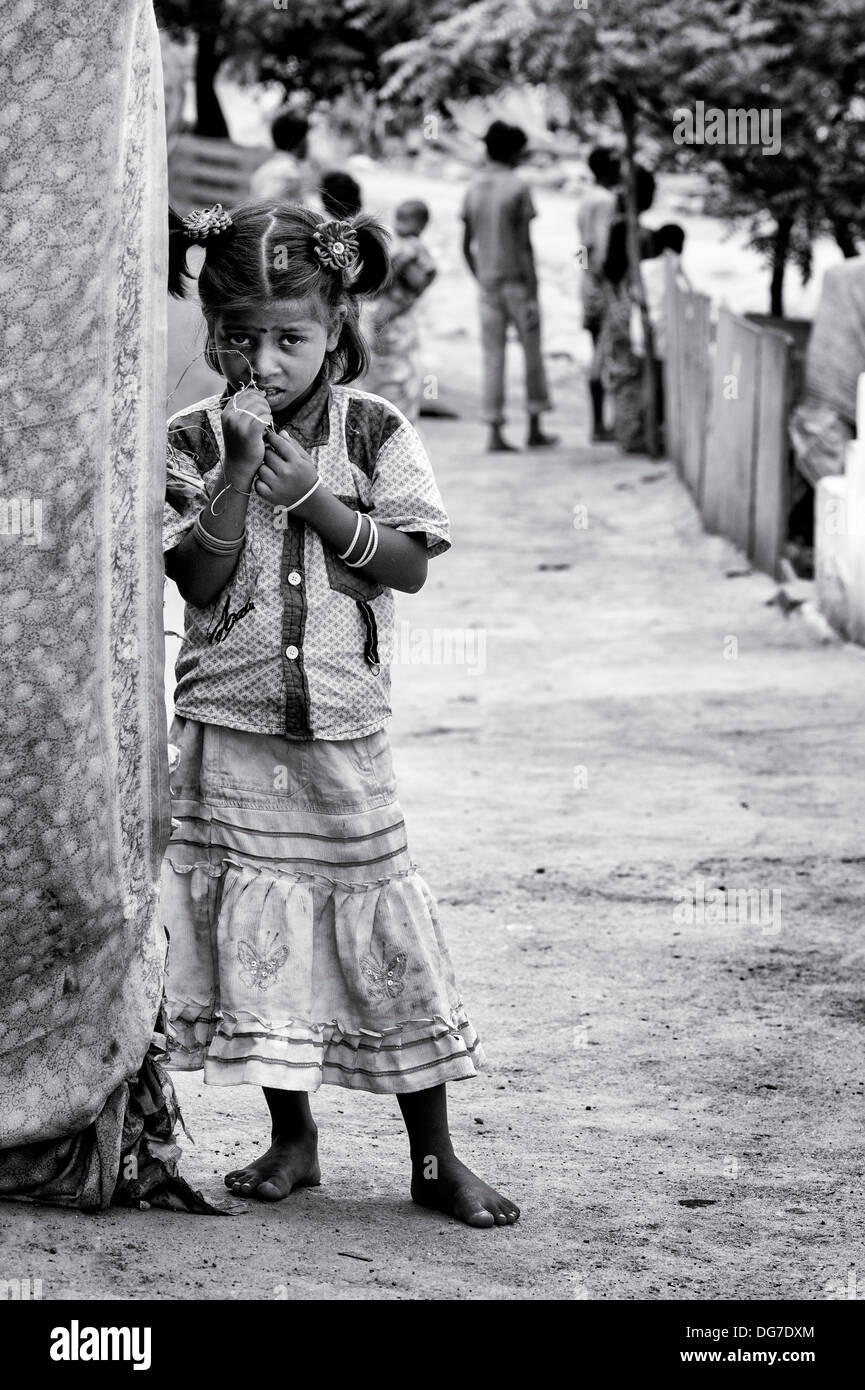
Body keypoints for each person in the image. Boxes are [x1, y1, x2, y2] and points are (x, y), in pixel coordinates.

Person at [161, 201, 520, 1229]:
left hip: (341, 733)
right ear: (212, 329)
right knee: (265, 933)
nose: (263, 361)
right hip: (229, 728)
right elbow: (195, 578)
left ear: (336, 331)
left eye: (290, 337)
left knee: (379, 929)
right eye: (239, 336)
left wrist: (316, 497)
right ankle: (293, 1136)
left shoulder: (373, 430)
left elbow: (405, 566)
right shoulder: (193, 438)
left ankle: (433, 1155)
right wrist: (236, 475)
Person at [461, 120, 556, 452]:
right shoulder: (518, 187)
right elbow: (525, 245)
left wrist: (480, 275)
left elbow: (466, 244)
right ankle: (534, 425)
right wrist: (533, 290)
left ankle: (494, 431)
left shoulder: (473, 187)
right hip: (517, 281)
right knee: (532, 353)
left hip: (487, 283)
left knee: (492, 357)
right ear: (513, 150)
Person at [594, 165, 658, 452]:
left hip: (617, 307)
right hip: (625, 310)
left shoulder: (623, 226)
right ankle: (630, 434)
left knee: (624, 372)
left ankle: (628, 431)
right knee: (628, 373)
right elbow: (612, 269)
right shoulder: (629, 230)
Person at [363, 199, 437, 420]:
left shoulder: (409, 247)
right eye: (399, 220)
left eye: (406, 221)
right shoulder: (403, 244)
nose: (400, 225)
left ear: (421, 225)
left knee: (381, 327)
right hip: (395, 310)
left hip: (396, 305)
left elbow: (421, 273)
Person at [577, 147, 620, 441]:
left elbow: (582, 247)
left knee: (598, 351)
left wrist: (586, 275)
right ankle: (601, 426)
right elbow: (599, 246)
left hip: (589, 281)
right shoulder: (605, 201)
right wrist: (607, 281)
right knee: (605, 354)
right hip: (601, 283)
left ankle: (600, 424)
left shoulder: (586, 198)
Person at [630, 224, 688, 437]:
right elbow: (688, 291)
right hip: (661, 334)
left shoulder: (644, 268)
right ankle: (654, 431)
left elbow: (635, 294)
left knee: (649, 383)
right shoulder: (672, 265)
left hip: (643, 333)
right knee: (657, 385)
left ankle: (649, 430)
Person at [250, 111, 315, 203]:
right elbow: (268, 204)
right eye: (306, 137)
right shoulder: (289, 173)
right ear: (302, 141)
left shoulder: (263, 170)